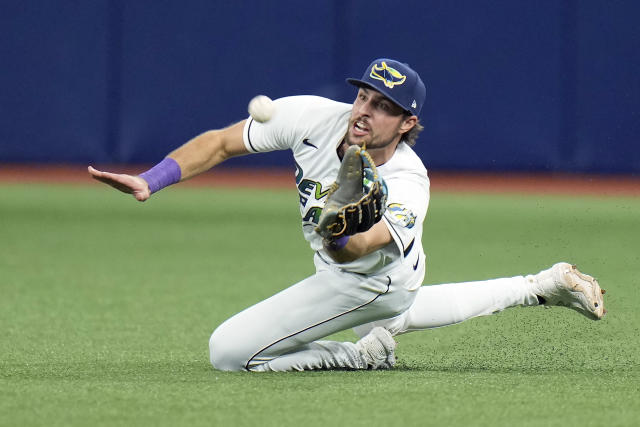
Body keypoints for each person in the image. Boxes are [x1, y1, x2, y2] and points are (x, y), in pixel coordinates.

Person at [89, 58, 605, 372]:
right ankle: (541, 285)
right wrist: (150, 179)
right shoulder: (311, 117)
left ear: (407, 123)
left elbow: (361, 247)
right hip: (363, 270)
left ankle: (360, 355)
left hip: (372, 279)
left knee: (228, 351)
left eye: (382, 105)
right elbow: (223, 143)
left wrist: (338, 232)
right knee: (401, 313)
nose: (363, 109)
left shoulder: (409, 180)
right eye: (363, 95)